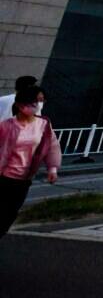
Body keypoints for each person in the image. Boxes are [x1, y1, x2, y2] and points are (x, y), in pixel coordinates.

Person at [0, 85, 62, 237]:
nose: (38, 105)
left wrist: (52, 168)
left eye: (41, 100)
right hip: (3, 177)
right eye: (35, 101)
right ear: (21, 104)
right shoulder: (6, 126)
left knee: (10, 213)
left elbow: (51, 146)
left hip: (23, 178)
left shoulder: (44, 124)